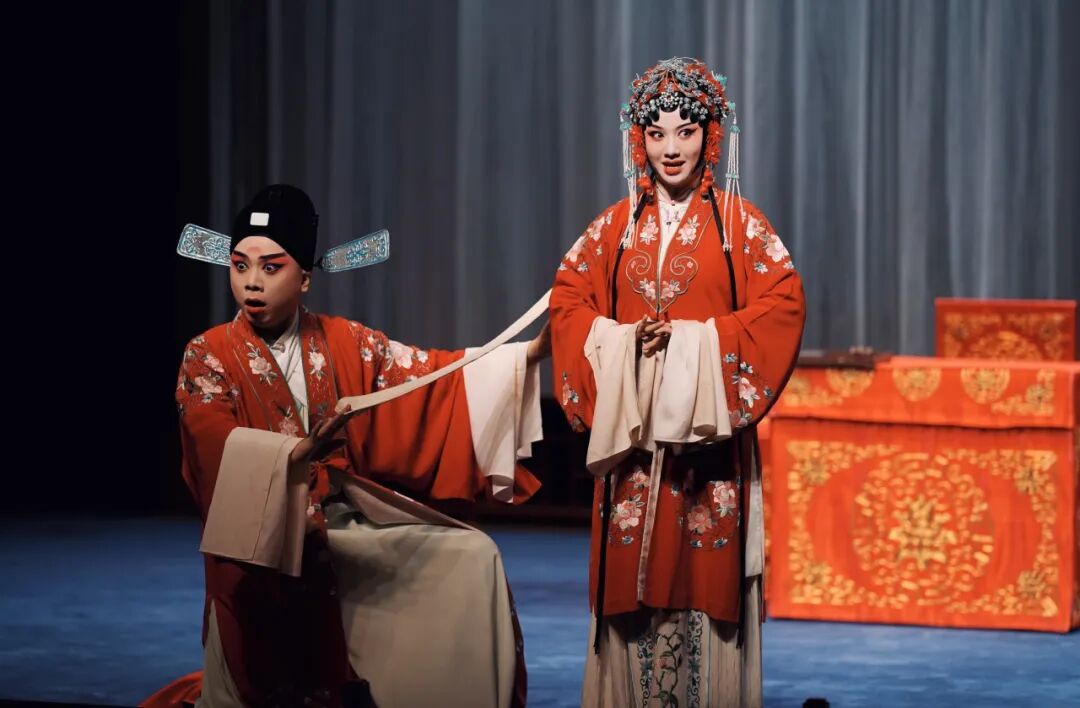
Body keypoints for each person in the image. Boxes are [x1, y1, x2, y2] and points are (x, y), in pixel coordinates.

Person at [147, 184, 549, 707]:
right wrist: (293, 455)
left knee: (474, 556)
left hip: (338, 523)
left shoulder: (344, 342)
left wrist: (529, 354)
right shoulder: (208, 353)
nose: (251, 282)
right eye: (240, 266)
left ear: (304, 278)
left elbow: (430, 379)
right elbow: (211, 444)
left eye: (271, 268)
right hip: (263, 539)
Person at [549, 58, 806, 706]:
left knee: (702, 577)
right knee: (631, 581)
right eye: (656, 132)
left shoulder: (740, 227)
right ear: (638, 138)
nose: (670, 148)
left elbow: (783, 305)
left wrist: (696, 342)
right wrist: (620, 342)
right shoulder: (613, 229)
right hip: (634, 450)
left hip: (707, 456)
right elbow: (568, 301)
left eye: (685, 132)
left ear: (710, 136)